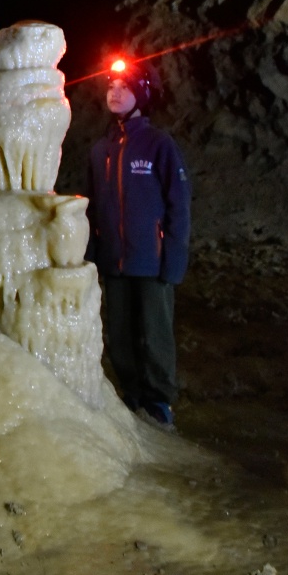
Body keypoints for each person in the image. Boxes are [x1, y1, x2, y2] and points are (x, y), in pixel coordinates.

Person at [85, 60, 191, 430]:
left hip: (152, 260)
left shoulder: (159, 145)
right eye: (111, 86)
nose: (115, 93)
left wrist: (174, 260)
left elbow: (179, 204)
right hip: (115, 261)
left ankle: (159, 400)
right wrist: (93, 253)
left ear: (141, 94)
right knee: (120, 332)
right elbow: (95, 207)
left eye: (125, 87)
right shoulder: (101, 150)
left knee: (154, 331)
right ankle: (131, 394)